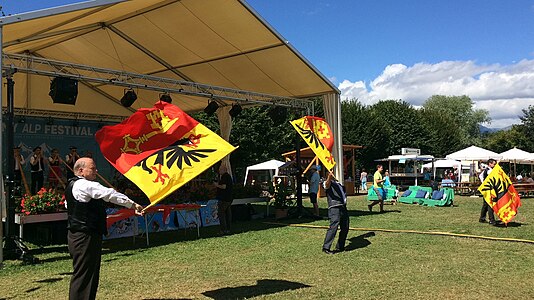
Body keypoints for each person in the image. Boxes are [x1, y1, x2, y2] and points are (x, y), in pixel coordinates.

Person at [66, 157, 143, 300]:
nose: (96, 171)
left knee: (88, 272)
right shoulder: (84, 185)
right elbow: (109, 194)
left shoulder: (72, 185)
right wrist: (132, 205)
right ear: (81, 171)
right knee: (84, 274)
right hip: (85, 235)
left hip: (79, 234)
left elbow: (69, 206)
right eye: (93, 168)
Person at [322, 172, 349, 254]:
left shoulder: (339, 185)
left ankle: (340, 246)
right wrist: (329, 177)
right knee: (334, 226)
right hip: (334, 207)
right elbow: (326, 185)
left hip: (343, 207)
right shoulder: (328, 183)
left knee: (345, 226)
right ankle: (326, 247)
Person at [214, 164, 233, 235]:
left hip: (224, 199)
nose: (219, 171)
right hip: (229, 198)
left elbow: (224, 187)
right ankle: (228, 229)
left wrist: (217, 185)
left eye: (220, 170)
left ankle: (223, 230)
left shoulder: (225, 177)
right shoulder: (228, 177)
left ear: (224, 170)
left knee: (221, 214)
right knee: (228, 214)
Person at [479, 158, 497, 226]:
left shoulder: (487, 170)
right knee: (490, 204)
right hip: (488, 189)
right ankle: (491, 220)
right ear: (490, 164)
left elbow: (481, 176)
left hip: (487, 189)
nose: (495, 165)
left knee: (485, 204)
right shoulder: (489, 171)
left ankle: (482, 218)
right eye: (494, 164)